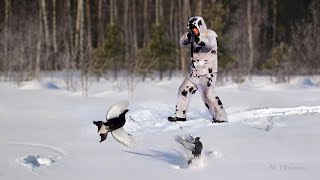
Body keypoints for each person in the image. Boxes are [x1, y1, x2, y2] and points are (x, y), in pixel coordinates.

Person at [168, 16, 228, 123]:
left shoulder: (210, 34)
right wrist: (188, 37)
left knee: (208, 95)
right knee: (183, 90)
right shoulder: (193, 35)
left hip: (207, 73)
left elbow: (211, 44)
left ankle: (221, 118)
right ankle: (180, 116)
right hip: (194, 73)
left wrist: (198, 39)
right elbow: (181, 42)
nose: (193, 30)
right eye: (191, 29)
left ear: (200, 25)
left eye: (194, 28)